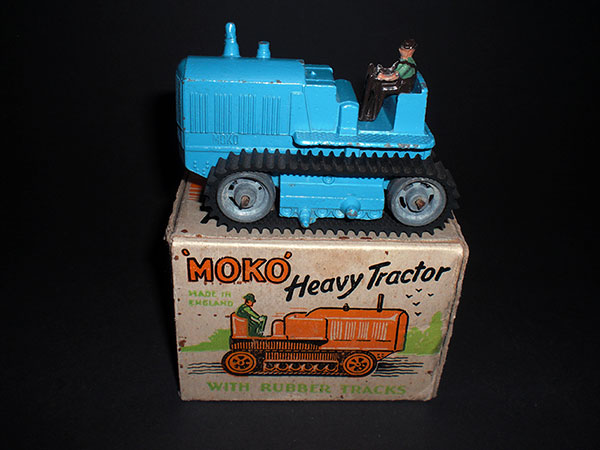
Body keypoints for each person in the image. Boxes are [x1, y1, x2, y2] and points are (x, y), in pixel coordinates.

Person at [358, 39, 418, 122]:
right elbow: (392, 69)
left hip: (403, 86)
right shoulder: (401, 61)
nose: (400, 50)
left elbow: (394, 77)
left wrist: (383, 77)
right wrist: (382, 70)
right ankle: (368, 110)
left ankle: (372, 115)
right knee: (376, 85)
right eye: (401, 49)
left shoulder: (407, 65)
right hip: (399, 82)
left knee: (382, 89)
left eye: (403, 50)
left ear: (411, 51)